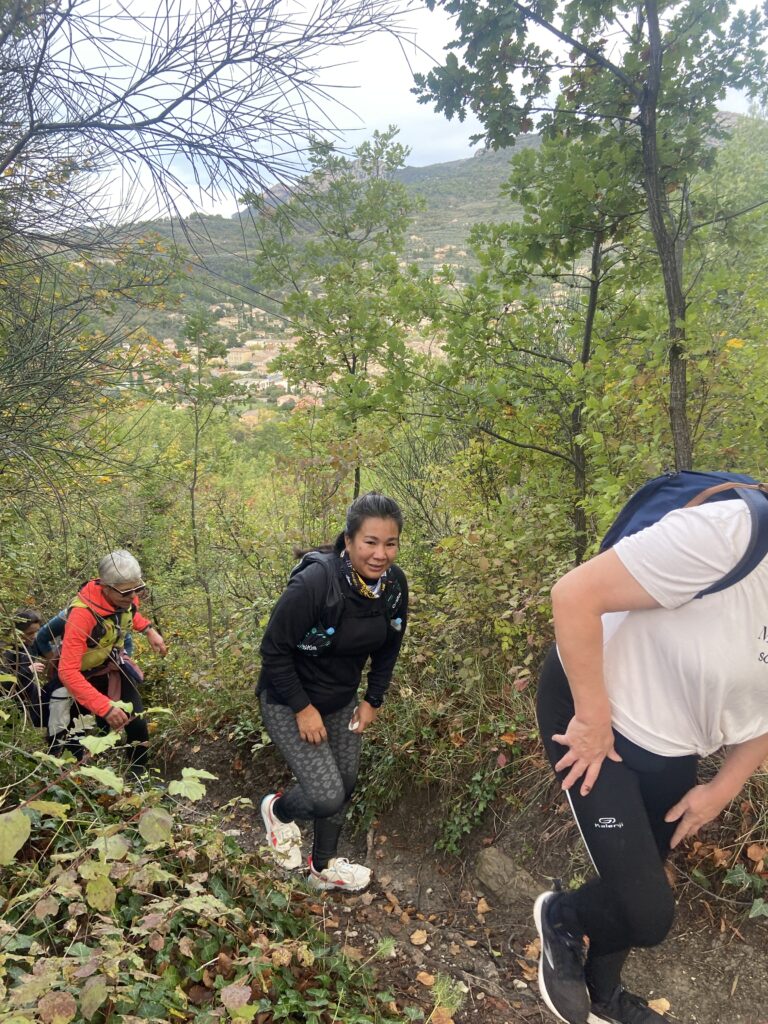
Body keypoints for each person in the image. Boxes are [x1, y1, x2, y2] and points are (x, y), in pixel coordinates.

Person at [533, 497, 768, 1024]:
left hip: (675, 743)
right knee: (649, 912)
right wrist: (593, 720)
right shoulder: (731, 533)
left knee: (635, 880)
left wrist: (722, 789)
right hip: (595, 716)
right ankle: (562, 914)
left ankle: (602, 994)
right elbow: (574, 596)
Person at [257, 492, 408, 891]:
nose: (380, 554)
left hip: (341, 701)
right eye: (370, 542)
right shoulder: (315, 583)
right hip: (287, 699)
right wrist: (302, 708)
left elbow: (390, 647)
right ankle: (278, 811)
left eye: (389, 543)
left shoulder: (392, 588)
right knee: (325, 796)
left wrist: (373, 698)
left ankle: (322, 869)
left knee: (346, 783)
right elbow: (273, 651)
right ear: (349, 539)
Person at [50, 550, 168, 777]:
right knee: (77, 736)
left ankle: (139, 777)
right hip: (81, 678)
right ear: (105, 587)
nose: (133, 596)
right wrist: (104, 707)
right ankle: (81, 783)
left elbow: (130, 614)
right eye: (127, 592)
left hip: (111, 666)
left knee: (137, 721)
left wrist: (149, 630)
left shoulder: (126, 596)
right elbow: (67, 671)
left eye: (138, 589)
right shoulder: (81, 615)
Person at [1, 608, 46, 725]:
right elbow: (4, 684)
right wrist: (29, 670)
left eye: (36, 632)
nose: (34, 636)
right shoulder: (6, 651)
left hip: (27, 699)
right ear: (17, 632)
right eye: (30, 633)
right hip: (9, 706)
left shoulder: (29, 644)